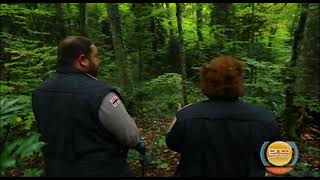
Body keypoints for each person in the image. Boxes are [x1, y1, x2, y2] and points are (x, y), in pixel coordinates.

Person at [32, 36, 145, 177]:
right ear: (83, 60)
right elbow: (131, 136)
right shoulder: (102, 94)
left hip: (56, 170)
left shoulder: (39, 92)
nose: (99, 61)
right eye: (96, 56)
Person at [166, 55, 282, 177]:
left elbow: (173, 143)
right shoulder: (266, 119)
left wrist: (178, 117)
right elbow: (277, 160)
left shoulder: (187, 116)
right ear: (238, 82)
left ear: (207, 83)